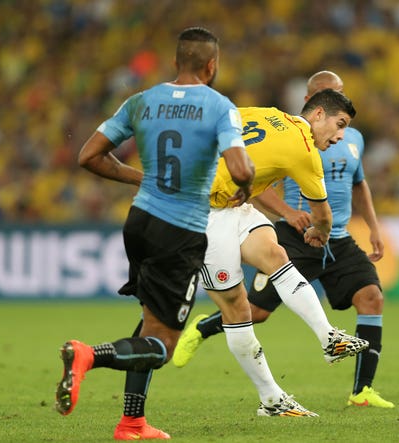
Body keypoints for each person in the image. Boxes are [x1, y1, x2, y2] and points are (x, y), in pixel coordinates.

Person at [54, 27, 254, 440]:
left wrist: (142, 178)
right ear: (212, 65)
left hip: (140, 222)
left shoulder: (141, 101)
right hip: (179, 231)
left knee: (149, 324)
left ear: (176, 62)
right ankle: (89, 355)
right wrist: (247, 181)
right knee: (162, 346)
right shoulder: (220, 106)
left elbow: (88, 155)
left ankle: (131, 422)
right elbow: (239, 168)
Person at [173, 71, 394, 409]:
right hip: (205, 214)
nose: (339, 136)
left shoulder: (272, 115)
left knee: (278, 259)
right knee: (242, 311)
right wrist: (305, 221)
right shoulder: (304, 151)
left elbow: (225, 120)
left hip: (239, 207)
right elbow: (321, 215)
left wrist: (236, 172)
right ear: (316, 109)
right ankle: (269, 396)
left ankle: (331, 342)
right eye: (338, 124)